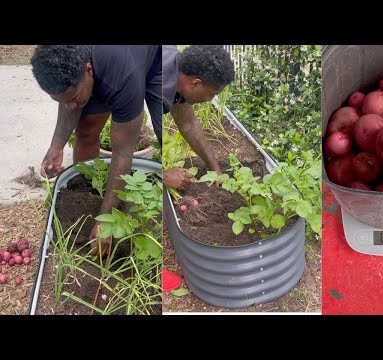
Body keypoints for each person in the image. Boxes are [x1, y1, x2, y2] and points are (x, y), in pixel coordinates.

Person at [31, 45, 162, 257]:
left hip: (153, 58)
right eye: (63, 101)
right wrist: (56, 145)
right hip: (107, 63)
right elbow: (68, 100)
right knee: (87, 128)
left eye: (73, 98)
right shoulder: (65, 57)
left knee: (163, 127)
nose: (71, 107)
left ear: (88, 70)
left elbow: (123, 152)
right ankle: (91, 195)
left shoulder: (122, 78)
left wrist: (106, 222)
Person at [160, 45, 235, 190]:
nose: (210, 99)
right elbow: (124, 141)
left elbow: (188, 123)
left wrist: (215, 170)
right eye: (212, 94)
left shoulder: (179, 71)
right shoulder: (157, 90)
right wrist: (163, 175)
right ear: (196, 83)